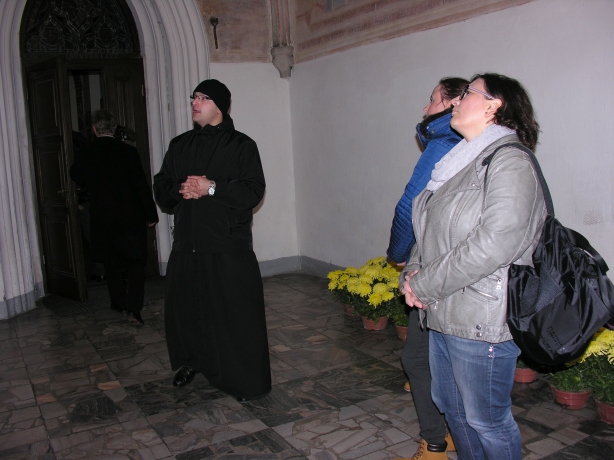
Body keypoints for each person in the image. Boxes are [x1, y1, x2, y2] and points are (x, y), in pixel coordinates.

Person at [400, 73, 546, 460]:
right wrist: (413, 271)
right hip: (444, 310)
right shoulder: (459, 162)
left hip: (482, 317)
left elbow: (495, 243)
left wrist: (425, 284)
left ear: (493, 105)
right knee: (454, 411)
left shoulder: (510, 161)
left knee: (487, 420)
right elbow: (429, 229)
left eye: (467, 93)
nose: (456, 101)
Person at [153, 79, 271, 401]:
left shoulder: (242, 145)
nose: (195, 102)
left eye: (203, 98)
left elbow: (253, 191)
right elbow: (161, 186)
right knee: (189, 312)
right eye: (194, 97)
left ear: (219, 105)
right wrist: (183, 188)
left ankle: (241, 377)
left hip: (226, 246)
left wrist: (212, 188)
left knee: (233, 316)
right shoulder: (179, 145)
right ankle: (193, 362)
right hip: (187, 244)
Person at [389, 77, 467, 460]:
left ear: (452, 103)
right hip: (460, 264)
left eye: (433, 99)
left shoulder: (443, 141)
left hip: (434, 265)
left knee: (418, 358)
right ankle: (448, 433)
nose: (426, 108)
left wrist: (399, 252)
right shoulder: (475, 143)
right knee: (445, 357)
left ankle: (435, 442)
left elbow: (411, 203)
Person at [70, 109, 159, 325]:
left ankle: (118, 302)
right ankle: (134, 306)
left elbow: (76, 175)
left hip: (103, 217)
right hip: (130, 216)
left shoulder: (87, 154)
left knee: (111, 263)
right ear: (114, 128)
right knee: (135, 262)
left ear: (94, 130)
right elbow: (140, 185)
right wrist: (151, 214)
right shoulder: (128, 152)